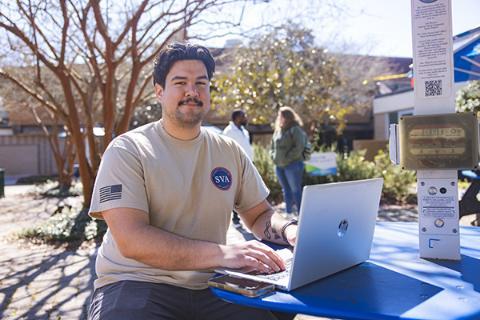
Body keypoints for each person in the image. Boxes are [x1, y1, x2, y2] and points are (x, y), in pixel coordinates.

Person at [88, 42, 298, 320]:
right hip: (137, 281)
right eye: (180, 82)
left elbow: (259, 215)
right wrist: (224, 254)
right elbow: (132, 239)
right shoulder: (128, 150)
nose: (192, 91)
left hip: (214, 284)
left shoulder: (228, 150)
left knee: (281, 310)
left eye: (201, 82)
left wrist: (291, 231)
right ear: (159, 91)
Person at [270, 107, 307, 216]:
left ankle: (301, 214)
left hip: (293, 165)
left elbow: (299, 147)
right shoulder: (278, 130)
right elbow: (272, 146)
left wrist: (287, 159)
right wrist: (273, 157)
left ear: (287, 116)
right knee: (286, 190)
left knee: (296, 190)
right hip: (279, 166)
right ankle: (289, 213)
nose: (279, 118)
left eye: (280, 115)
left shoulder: (295, 129)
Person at [223, 109, 254, 227]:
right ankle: (235, 219)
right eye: (243, 116)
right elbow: (226, 149)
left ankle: (245, 217)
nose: (245, 118)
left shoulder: (244, 131)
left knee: (245, 191)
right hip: (235, 165)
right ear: (236, 118)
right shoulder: (229, 131)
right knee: (235, 191)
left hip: (248, 164)